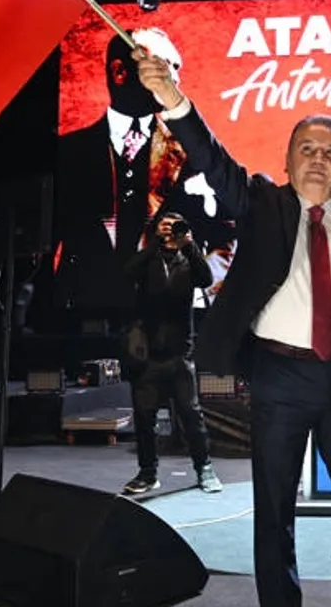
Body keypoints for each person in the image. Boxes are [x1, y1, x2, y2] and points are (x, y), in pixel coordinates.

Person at [133, 48, 331, 607]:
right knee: (275, 503)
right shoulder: (261, 205)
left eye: (330, 153)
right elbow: (214, 160)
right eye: (307, 149)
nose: (318, 160)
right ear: (287, 159)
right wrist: (172, 99)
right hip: (279, 377)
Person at [51, 27, 193, 329]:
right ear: (120, 71)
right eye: (165, 65)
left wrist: (194, 289)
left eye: (177, 68)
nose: (176, 78)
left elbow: (224, 237)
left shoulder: (191, 153)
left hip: (164, 321)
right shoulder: (67, 152)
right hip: (80, 320)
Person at [120, 212, 222, 495]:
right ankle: (147, 473)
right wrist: (156, 242)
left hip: (180, 353)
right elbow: (128, 273)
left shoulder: (189, 259)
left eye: (175, 226)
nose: (170, 230)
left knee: (191, 415)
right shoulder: (148, 259)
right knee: (145, 418)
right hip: (148, 352)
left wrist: (189, 245)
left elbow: (206, 279)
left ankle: (204, 468)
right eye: (165, 226)